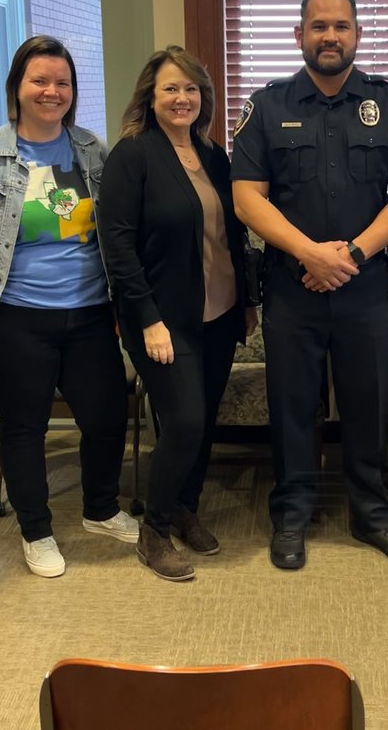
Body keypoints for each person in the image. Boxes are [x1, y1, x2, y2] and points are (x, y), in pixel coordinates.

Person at [231, 0, 388, 570]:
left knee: (369, 403)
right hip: (291, 289)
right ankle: (292, 514)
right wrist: (310, 256)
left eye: (341, 26)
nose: (330, 36)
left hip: (364, 287)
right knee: (292, 403)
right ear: (299, 35)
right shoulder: (266, 106)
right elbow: (248, 198)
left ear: (357, 35)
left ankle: (372, 514)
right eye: (318, 26)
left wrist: (351, 256)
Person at [0, 35, 136, 579]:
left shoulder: (92, 151)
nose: (51, 91)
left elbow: (112, 230)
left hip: (87, 313)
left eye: (62, 82)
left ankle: (100, 508)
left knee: (106, 416)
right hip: (13, 316)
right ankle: (36, 530)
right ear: (16, 87)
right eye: (39, 80)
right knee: (24, 425)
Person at [99, 47, 257, 582]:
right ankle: (155, 529)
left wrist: (246, 304)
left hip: (218, 311)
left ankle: (186, 507)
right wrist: (146, 318)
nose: (182, 98)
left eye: (191, 89)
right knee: (183, 419)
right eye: (170, 88)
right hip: (162, 319)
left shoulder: (214, 155)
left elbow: (231, 235)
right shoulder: (133, 154)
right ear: (150, 95)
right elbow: (116, 246)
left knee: (202, 419)